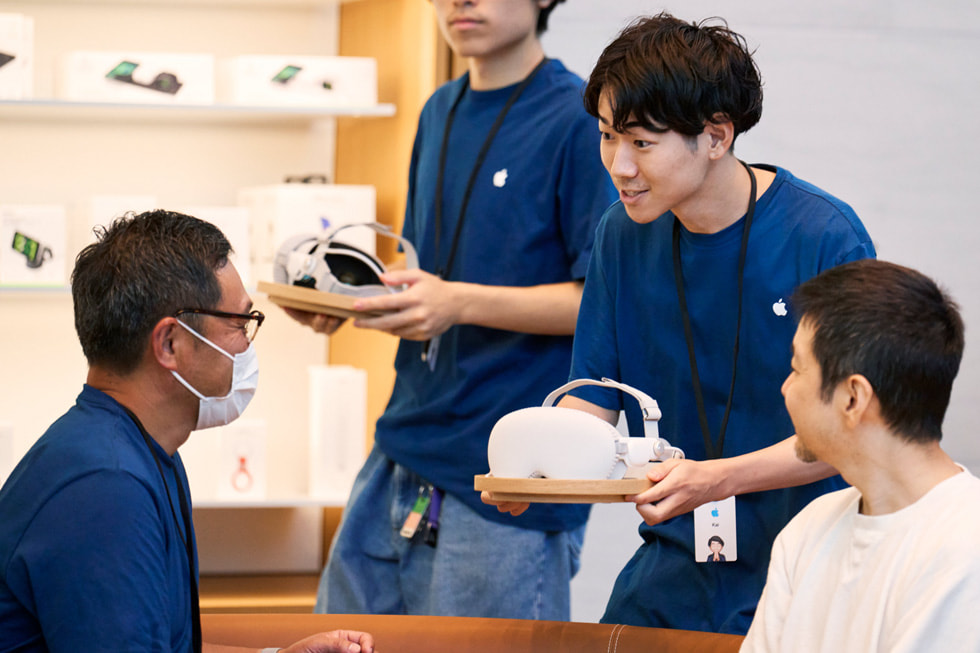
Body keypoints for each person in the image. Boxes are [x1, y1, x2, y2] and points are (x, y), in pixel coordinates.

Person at [483, 13, 876, 634]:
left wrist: (716, 479)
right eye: (608, 137)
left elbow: (854, 432)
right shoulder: (620, 232)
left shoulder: (822, 235)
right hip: (678, 558)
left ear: (717, 136)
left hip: (810, 564)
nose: (619, 165)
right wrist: (541, 471)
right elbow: (595, 395)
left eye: (641, 143)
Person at [286, 0, 617, 620]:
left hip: (508, 470)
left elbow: (600, 304)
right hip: (402, 444)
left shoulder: (579, 121)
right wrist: (351, 301)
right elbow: (425, 278)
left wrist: (455, 303)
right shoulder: (440, 109)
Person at [0, 211, 375, 653]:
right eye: (240, 324)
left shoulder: (143, 454)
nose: (246, 344)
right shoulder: (105, 488)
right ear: (170, 343)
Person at [741, 259, 980, 652]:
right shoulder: (809, 529)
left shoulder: (963, 551)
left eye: (797, 369)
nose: (785, 389)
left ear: (854, 398)